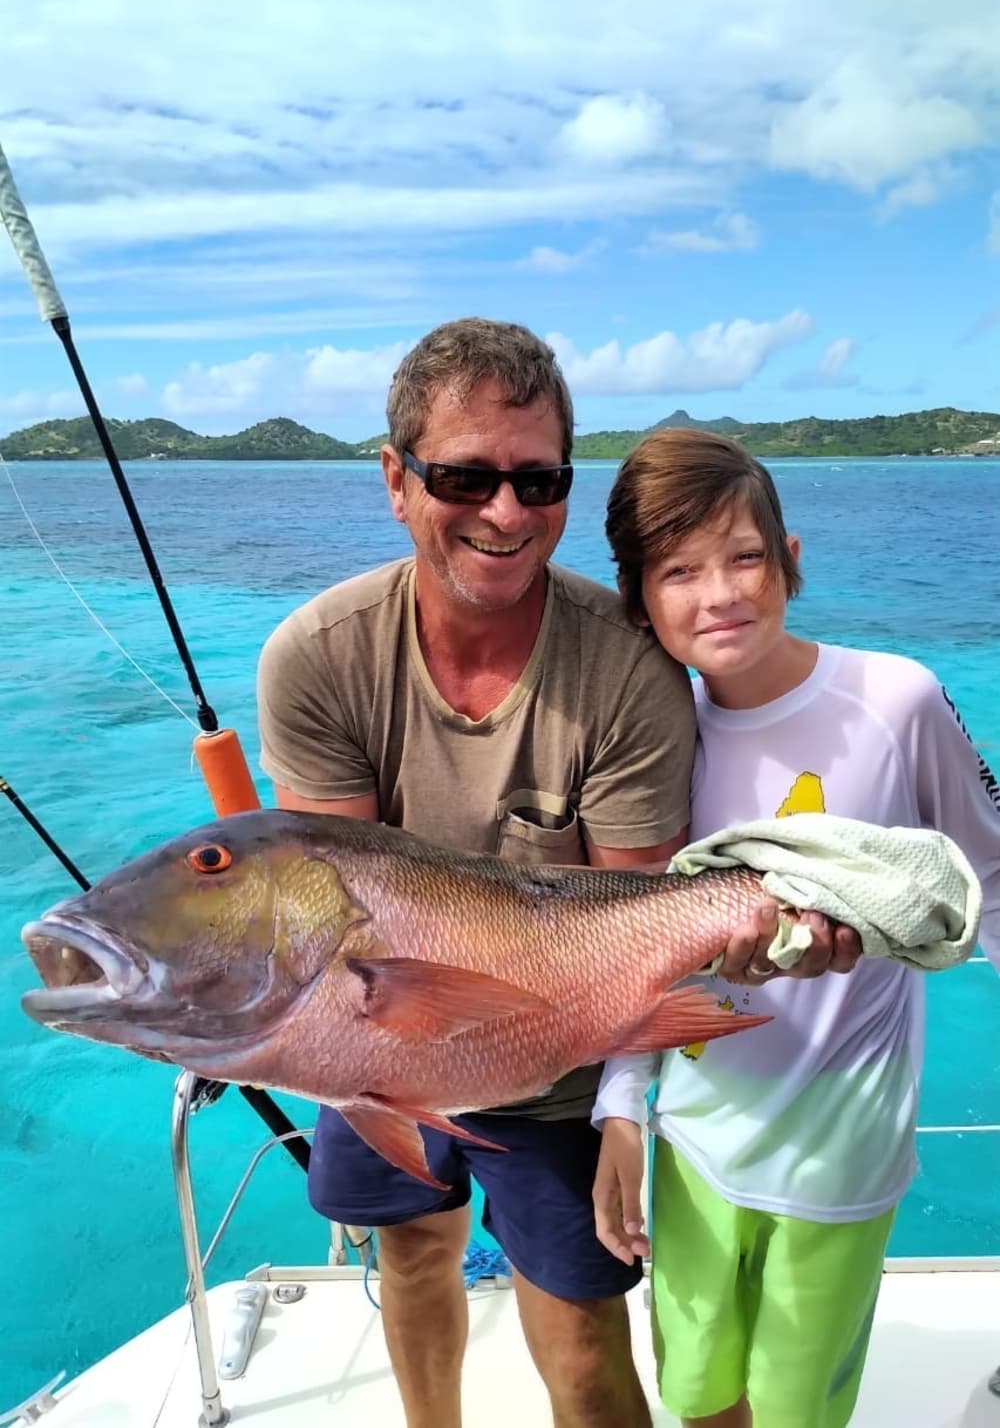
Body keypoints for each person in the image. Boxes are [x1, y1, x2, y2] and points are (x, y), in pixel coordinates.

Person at [256, 321, 853, 1428]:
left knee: (582, 1341)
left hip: (560, 1052)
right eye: (465, 476)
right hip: (371, 1047)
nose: (506, 513)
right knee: (414, 1257)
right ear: (395, 479)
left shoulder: (625, 668)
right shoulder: (319, 655)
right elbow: (330, 912)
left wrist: (645, 1076)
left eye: (537, 480)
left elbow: (632, 923)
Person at [593, 427, 1000, 1428]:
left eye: (744, 556)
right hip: (694, 1136)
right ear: (640, 601)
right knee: (695, 1392)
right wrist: (617, 1111)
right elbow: (637, 939)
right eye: (678, 570)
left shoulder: (894, 698)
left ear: (791, 561)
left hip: (843, 1145)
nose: (719, 593)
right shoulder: (659, 739)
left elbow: (989, 872)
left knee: (794, 1409)